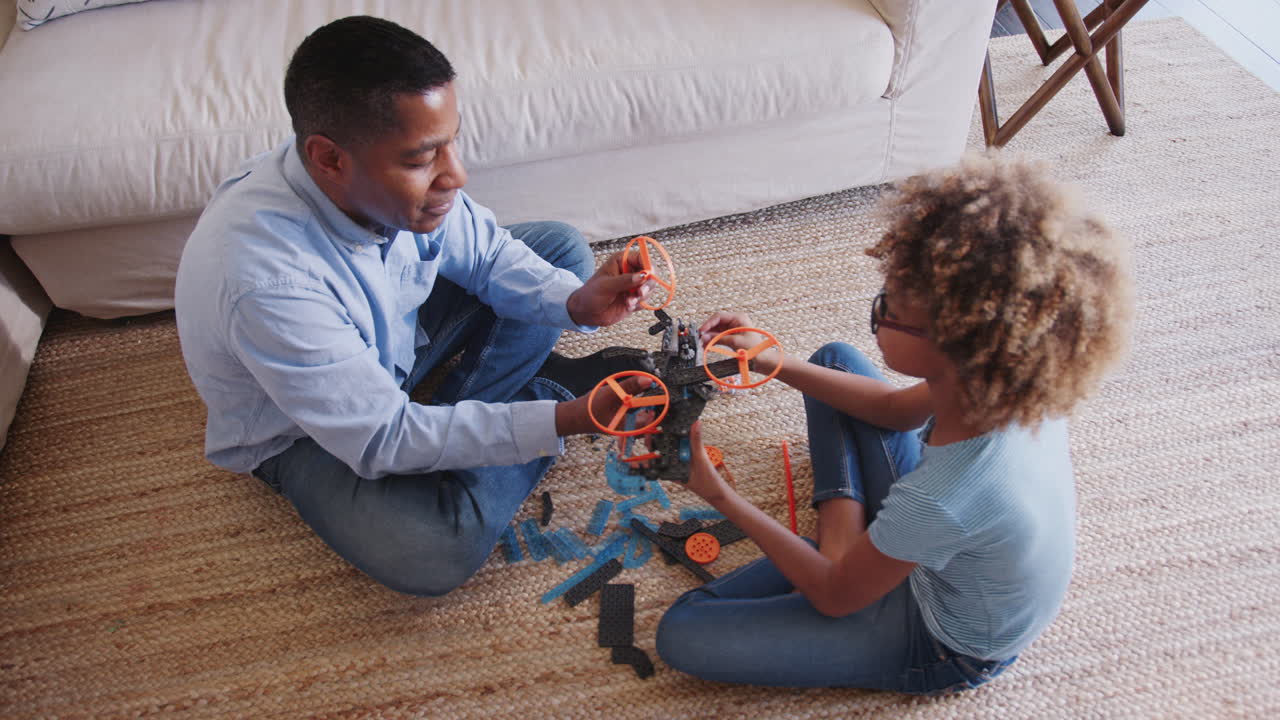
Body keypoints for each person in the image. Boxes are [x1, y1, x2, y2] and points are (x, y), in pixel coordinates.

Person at [174, 16, 652, 597]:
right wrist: (569, 419)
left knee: (559, 249)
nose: (457, 174)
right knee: (431, 552)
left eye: (452, 141)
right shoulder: (267, 283)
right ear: (329, 159)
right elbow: (384, 437)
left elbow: (486, 253)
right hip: (302, 430)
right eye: (422, 158)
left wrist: (575, 303)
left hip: (393, 348)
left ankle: (472, 425)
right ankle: (538, 392)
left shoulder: (370, 176)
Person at [655, 153, 1132, 693]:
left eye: (889, 307)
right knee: (833, 359)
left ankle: (842, 544)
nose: (877, 315)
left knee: (683, 632)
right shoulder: (996, 381)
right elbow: (890, 411)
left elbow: (836, 597)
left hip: (941, 641)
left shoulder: (943, 495)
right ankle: (844, 539)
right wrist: (767, 358)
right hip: (937, 540)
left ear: (950, 342)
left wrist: (716, 493)